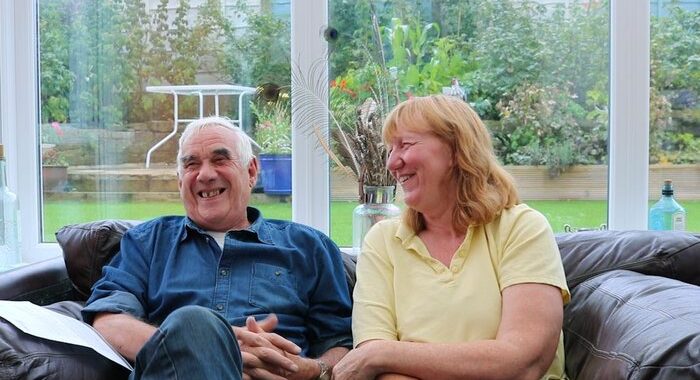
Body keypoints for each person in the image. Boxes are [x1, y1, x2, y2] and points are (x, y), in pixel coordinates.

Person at [82, 116, 351, 380]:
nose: (206, 174)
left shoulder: (308, 247)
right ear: (180, 180)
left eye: (220, 160)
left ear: (251, 172)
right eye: (191, 164)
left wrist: (310, 369)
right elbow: (108, 321)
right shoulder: (147, 242)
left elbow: (341, 342)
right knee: (192, 323)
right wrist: (202, 347)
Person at [333, 95, 570, 380]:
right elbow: (378, 370)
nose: (392, 162)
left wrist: (383, 354)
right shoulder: (382, 242)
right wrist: (377, 356)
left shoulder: (521, 228)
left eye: (405, 145)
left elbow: (524, 362)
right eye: (390, 149)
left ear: (457, 150)